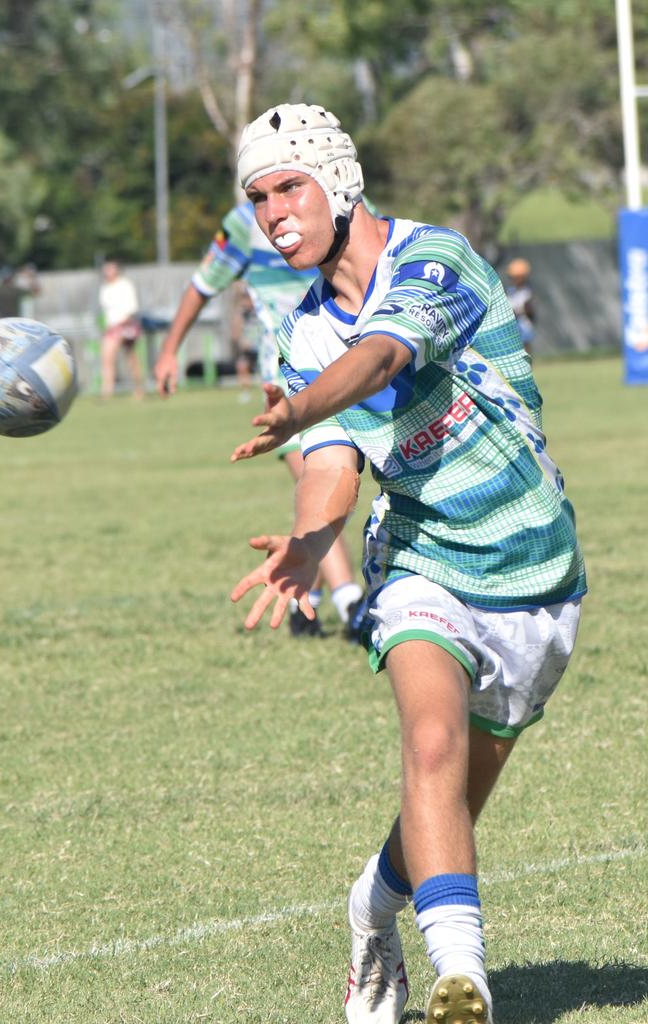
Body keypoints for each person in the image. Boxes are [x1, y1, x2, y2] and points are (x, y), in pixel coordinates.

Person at [229, 103, 586, 1024]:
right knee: (430, 744)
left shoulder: (437, 259)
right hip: (423, 563)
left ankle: (371, 905)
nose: (274, 215)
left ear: (338, 181)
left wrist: (304, 407)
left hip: (538, 572)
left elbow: (386, 355)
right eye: (257, 197)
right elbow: (334, 468)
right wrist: (310, 547)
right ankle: (460, 980)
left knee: (455, 798)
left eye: (287, 188)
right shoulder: (301, 334)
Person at [154, 199, 365, 638]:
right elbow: (201, 284)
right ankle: (350, 603)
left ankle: (306, 601)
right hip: (284, 379)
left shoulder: (339, 202)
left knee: (332, 488)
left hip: (348, 369)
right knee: (318, 477)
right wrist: (171, 349)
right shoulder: (244, 224)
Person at [98, 259, 144, 400]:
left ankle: (138, 391)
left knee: (131, 359)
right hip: (112, 327)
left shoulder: (125, 285)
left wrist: (120, 325)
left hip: (125, 326)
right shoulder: (104, 288)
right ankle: (107, 391)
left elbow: (131, 309)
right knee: (107, 358)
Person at [505, 257, 536, 355]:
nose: (516, 280)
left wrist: (522, 310)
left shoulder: (527, 291)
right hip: (511, 323)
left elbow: (530, 309)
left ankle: (527, 364)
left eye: (518, 277)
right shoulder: (510, 291)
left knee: (525, 344)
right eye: (514, 277)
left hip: (523, 322)